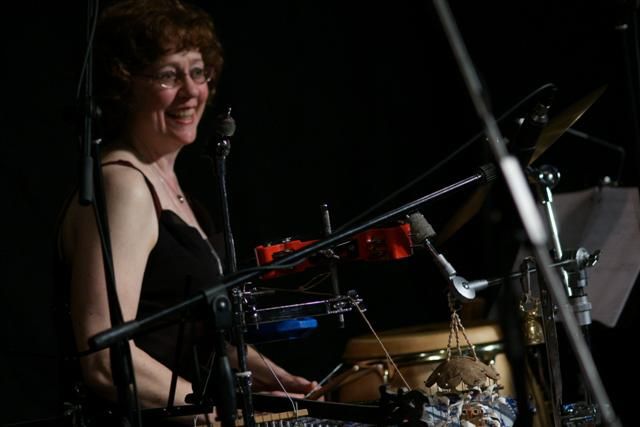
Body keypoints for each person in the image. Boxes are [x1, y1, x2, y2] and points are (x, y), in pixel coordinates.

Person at [55, 0, 316, 424]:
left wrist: (281, 382)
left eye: (198, 72)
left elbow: (200, 339)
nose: (192, 90)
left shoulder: (177, 195)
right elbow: (104, 359)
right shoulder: (124, 186)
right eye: (168, 75)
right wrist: (216, 413)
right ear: (124, 85)